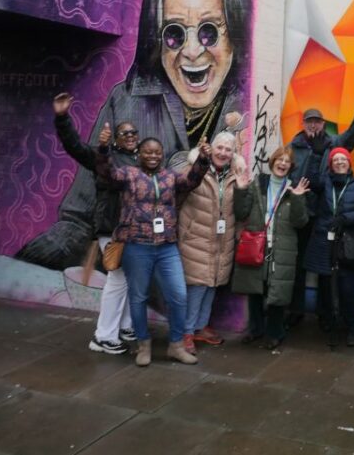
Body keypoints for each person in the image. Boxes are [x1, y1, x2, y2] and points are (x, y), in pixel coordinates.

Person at [17, 0, 251, 271]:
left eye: (209, 31)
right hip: (137, 255)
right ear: (156, 38)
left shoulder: (247, 107)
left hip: (206, 265)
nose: (192, 51)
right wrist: (26, 271)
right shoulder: (125, 100)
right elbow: (79, 216)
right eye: (174, 34)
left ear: (235, 35)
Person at [96, 125, 212, 366]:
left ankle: (176, 345)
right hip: (137, 246)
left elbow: (192, 180)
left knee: (179, 296)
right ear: (139, 154)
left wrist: (203, 157)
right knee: (138, 297)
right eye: (147, 152)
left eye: (157, 152)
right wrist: (104, 148)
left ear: (162, 154)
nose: (152, 156)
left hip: (167, 247)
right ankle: (143, 345)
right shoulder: (128, 174)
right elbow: (106, 173)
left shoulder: (170, 176)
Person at [52, 92, 137, 355]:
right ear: (116, 138)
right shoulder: (103, 157)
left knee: (128, 278)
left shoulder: (141, 160)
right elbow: (74, 146)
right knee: (118, 278)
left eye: (134, 132)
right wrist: (62, 117)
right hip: (110, 227)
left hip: (132, 230)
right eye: (125, 133)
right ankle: (104, 336)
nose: (131, 136)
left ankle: (124, 326)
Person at [285, 88, 354, 329]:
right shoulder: (293, 146)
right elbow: (284, 173)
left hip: (325, 215)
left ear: (323, 124)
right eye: (309, 121)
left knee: (326, 266)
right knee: (299, 264)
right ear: (303, 124)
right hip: (302, 213)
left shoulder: (334, 143)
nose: (313, 125)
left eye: (317, 121)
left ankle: (325, 312)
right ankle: (296, 310)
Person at [232, 146, 310, 350]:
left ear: (291, 167)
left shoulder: (294, 188)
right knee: (255, 290)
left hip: (282, 247)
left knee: (277, 293)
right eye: (279, 159)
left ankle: (275, 333)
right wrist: (240, 190)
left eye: (287, 161)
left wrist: (299, 198)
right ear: (272, 161)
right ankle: (255, 329)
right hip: (256, 244)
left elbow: (300, 222)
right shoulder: (258, 183)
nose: (283, 164)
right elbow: (241, 212)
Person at [177, 131, 246, 354]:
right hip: (195, 239)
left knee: (212, 285)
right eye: (220, 148)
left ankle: (199, 326)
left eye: (229, 149)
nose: (223, 153)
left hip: (221, 241)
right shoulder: (193, 169)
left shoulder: (236, 174)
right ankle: (185, 333)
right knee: (198, 286)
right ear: (211, 149)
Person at [303, 147, 354, 347]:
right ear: (331, 164)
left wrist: (345, 219)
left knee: (347, 287)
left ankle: (351, 328)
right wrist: (316, 155)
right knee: (325, 285)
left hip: (347, 242)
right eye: (336, 160)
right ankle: (327, 320)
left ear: (349, 163)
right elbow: (309, 179)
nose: (340, 162)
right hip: (324, 240)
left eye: (344, 159)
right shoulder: (324, 182)